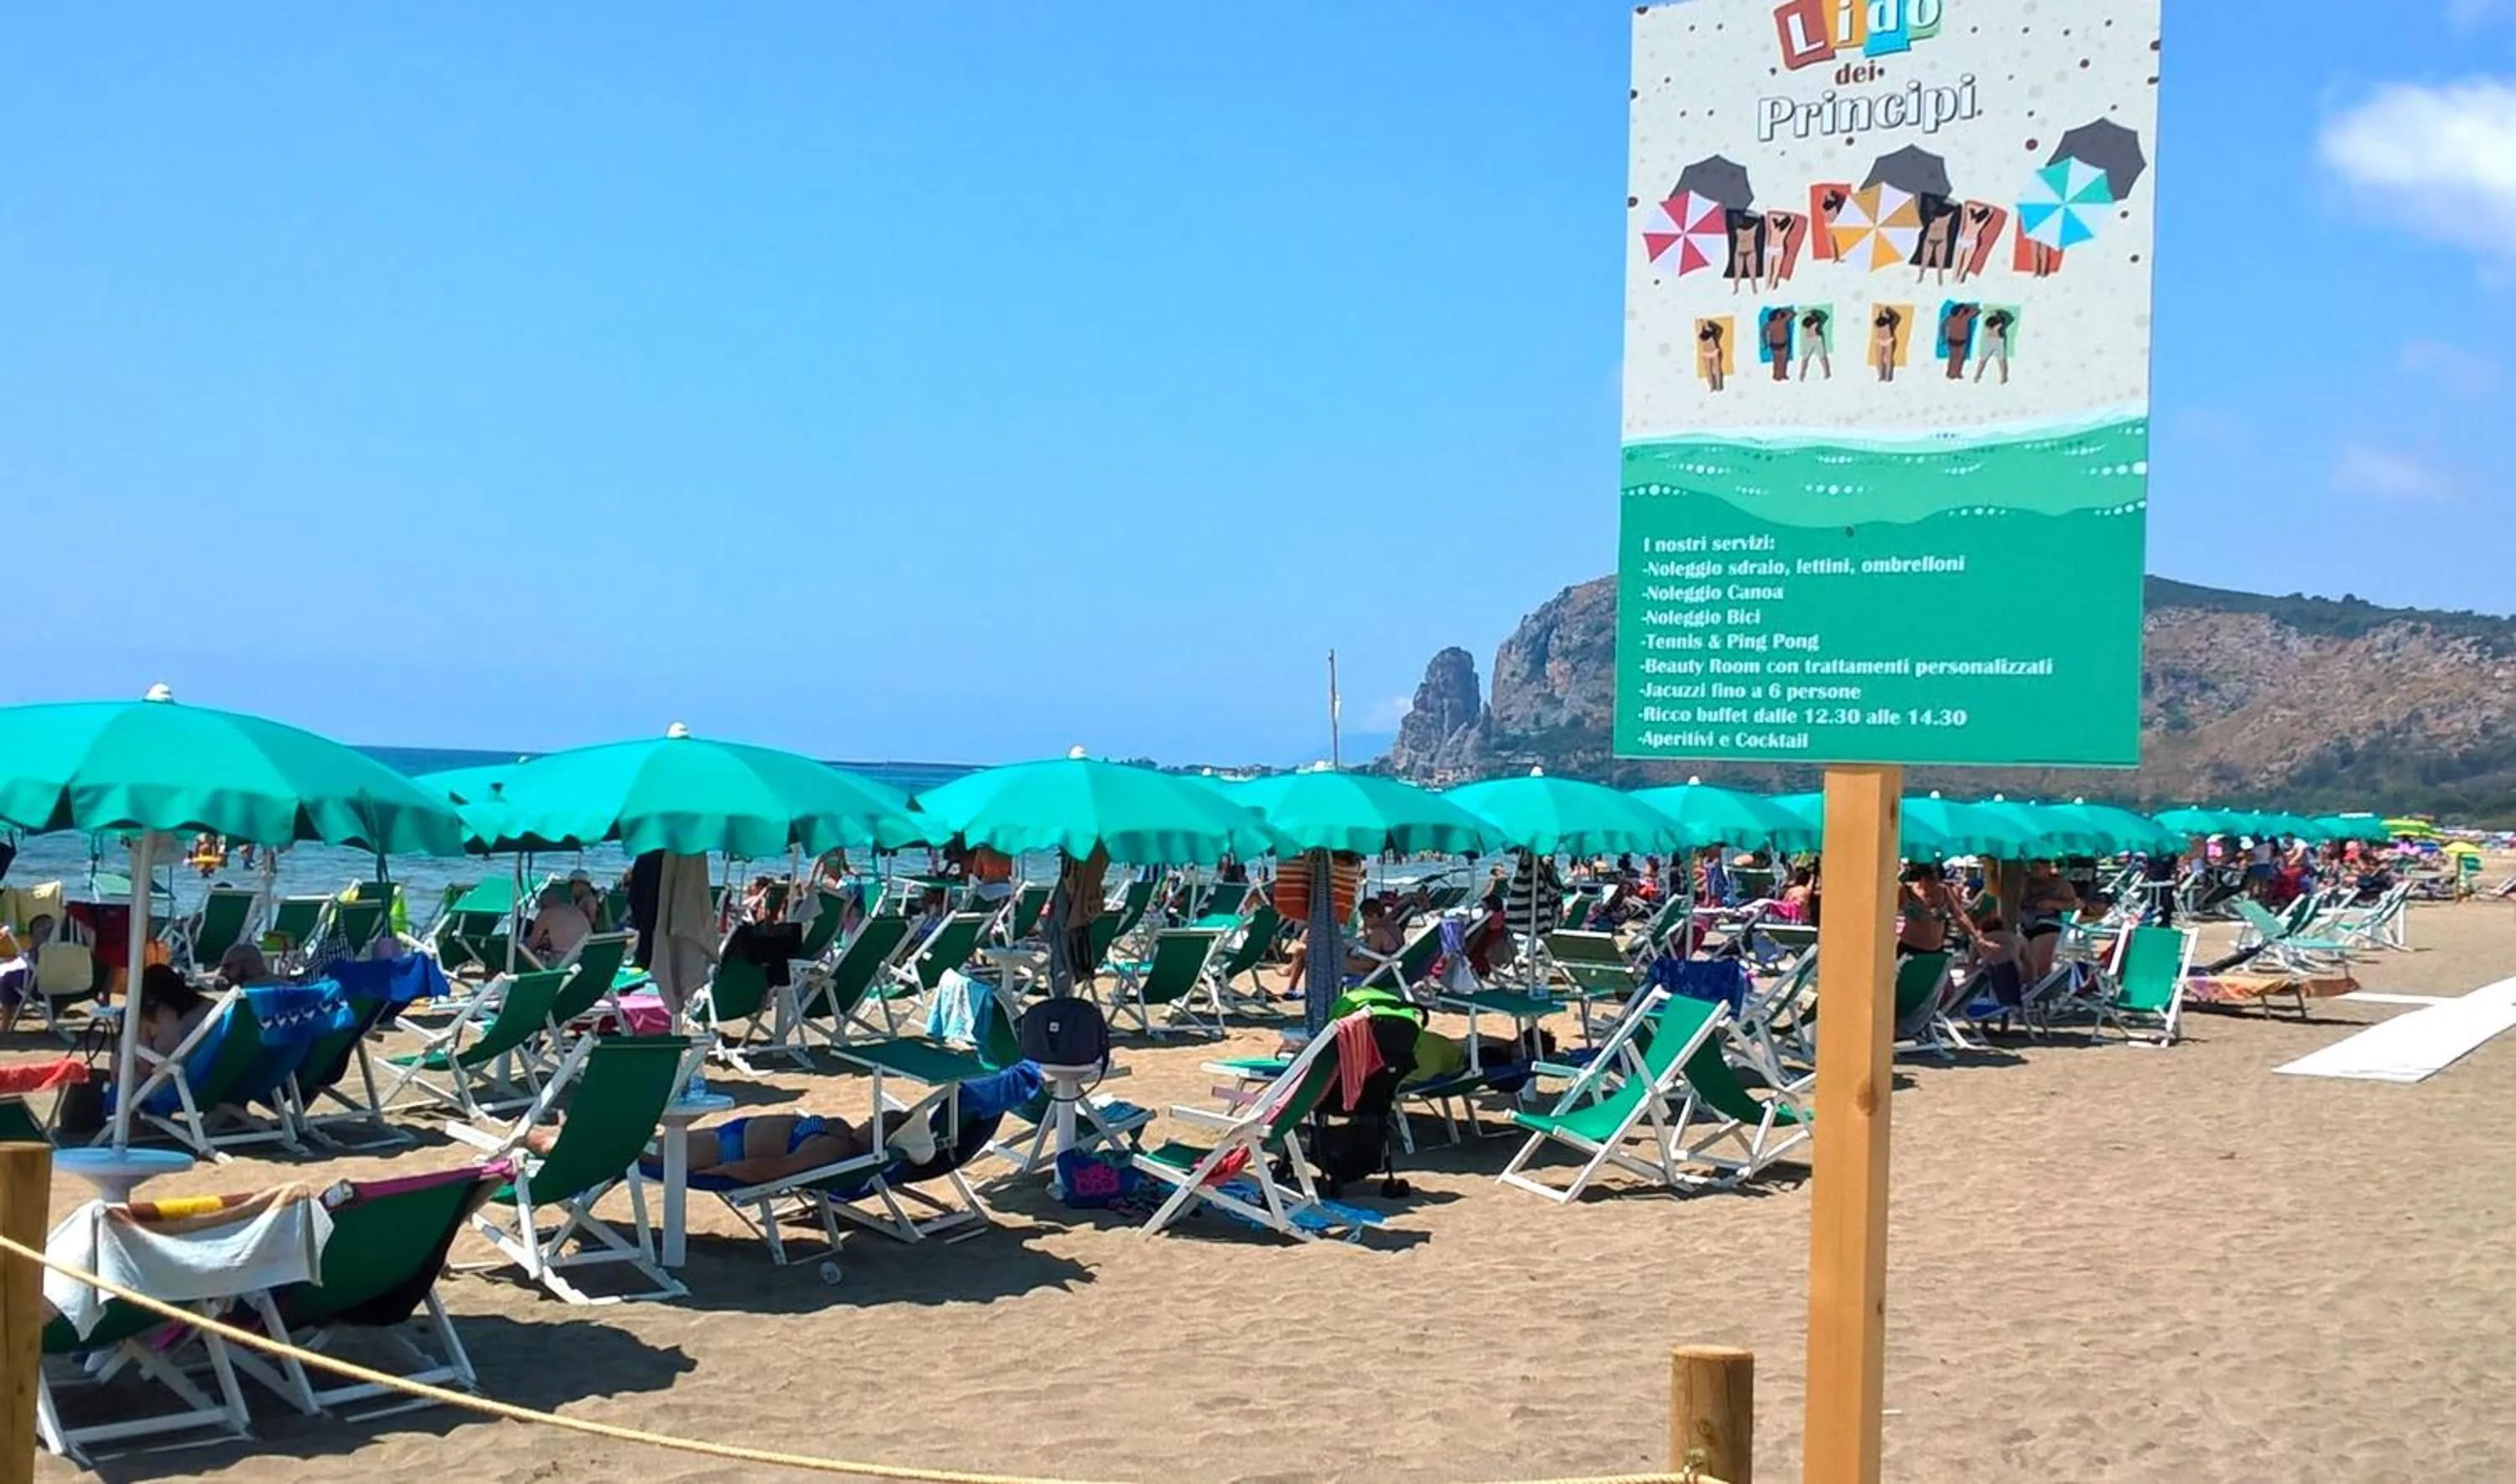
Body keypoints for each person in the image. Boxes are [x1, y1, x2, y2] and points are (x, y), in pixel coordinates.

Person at [2015, 862, 2080, 987]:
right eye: (2033, 868)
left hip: (2048, 923)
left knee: (2039, 964)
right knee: (2023, 963)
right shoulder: (2025, 882)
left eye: (2038, 868)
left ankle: (2040, 990)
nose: (2035, 871)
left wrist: (2053, 903)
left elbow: (2073, 904)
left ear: (2048, 868)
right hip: (2024, 922)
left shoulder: (2060, 885)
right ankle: (2026, 989)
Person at [1056, 844, 1111, 990]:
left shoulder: (1073, 887)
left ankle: (1062, 994)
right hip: (1089, 912)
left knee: (1062, 955)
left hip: (1073, 920)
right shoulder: (1102, 852)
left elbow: (1071, 884)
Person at [135, 963, 215, 1060]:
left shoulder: (158, 1017)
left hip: (176, 1071)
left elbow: (145, 1066)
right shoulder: (209, 1006)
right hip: (213, 1063)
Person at [526, 883, 594, 963]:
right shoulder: (576, 911)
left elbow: (532, 944)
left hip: (564, 961)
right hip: (584, 958)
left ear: (542, 904)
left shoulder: (547, 913)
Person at [1974, 309, 2014, 384]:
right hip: (1992, 341)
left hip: (1995, 341)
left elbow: (2010, 318)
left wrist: (1998, 312)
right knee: (1984, 360)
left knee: (2000, 361)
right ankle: (1978, 375)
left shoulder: (1996, 324)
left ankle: (2004, 377)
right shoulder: (1994, 323)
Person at [1797, 308, 1832, 380]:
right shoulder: (1810, 322)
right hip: (1811, 339)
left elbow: (1825, 316)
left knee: (1821, 358)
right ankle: (1801, 375)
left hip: (1815, 339)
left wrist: (1813, 311)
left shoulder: (1815, 321)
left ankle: (1827, 374)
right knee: (1806, 359)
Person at [1762, 306, 1795, 381]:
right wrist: (1765, 342)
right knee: (1777, 361)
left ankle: (1783, 374)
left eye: (1781, 314)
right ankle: (1776, 375)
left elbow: (1792, 314)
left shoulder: (1783, 321)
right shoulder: (1770, 324)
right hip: (1775, 345)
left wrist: (1783, 310)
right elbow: (1763, 332)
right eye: (1779, 314)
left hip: (1784, 344)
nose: (1781, 315)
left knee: (1783, 361)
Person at [1872, 307, 1901, 382]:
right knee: (1880, 359)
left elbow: (1897, 317)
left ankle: (1887, 376)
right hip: (1881, 340)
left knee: (1888, 359)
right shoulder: (1879, 319)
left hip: (1888, 340)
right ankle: (1881, 375)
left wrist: (1888, 310)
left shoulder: (1890, 320)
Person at [1697, 320, 1727, 392]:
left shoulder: (1713, 329)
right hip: (1706, 352)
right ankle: (1711, 386)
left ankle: (1719, 386)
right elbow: (1701, 338)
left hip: (1714, 351)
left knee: (1717, 369)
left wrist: (1708, 327)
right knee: (1708, 371)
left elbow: (1720, 330)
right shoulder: (1702, 329)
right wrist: (1702, 327)